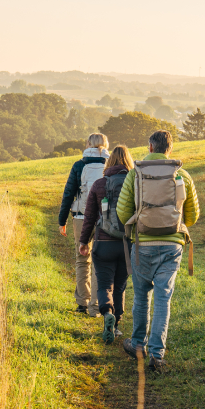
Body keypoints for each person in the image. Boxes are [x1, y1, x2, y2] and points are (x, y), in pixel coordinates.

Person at [116, 130, 199, 372]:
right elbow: (192, 217)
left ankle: (138, 345)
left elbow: (123, 213)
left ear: (150, 147)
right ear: (169, 149)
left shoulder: (135, 173)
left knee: (142, 297)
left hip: (142, 243)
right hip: (172, 245)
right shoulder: (182, 175)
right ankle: (157, 353)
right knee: (164, 298)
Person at [77, 145, 134, 344]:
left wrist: (84, 241)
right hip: (127, 244)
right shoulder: (134, 183)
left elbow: (90, 217)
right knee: (119, 285)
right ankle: (116, 325)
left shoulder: (100, 184)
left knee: (104, 285)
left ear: (109, 162)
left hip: (103, 242)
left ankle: (107, 312)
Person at [58, 133, 108, 315]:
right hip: (105, 218)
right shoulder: (110, 164)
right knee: (99, 261)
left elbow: (68, 193)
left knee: (82, 259)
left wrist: (62, 220)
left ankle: (82, 302)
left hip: (80, 216)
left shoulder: (79, 165)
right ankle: (96, 305)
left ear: (88, 145)